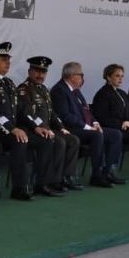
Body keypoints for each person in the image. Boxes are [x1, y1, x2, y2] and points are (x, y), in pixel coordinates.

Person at [0, 42, 58, 199]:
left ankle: (42, 184)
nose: (8, 63)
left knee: (45, 139)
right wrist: (12, 128)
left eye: (8, 59)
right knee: (20, 141)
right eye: (3, 59)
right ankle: (19, 188)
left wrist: (36, 126)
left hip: (12, 130)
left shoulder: (9, 83)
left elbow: (22, 110)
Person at [50, 61, 124, 187]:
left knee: (115, 134)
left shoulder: (76, 90)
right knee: (97, 135)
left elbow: (86, 111)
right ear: (71, 76)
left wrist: (95, 122)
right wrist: (87, 127)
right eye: (81, 74)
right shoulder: (59, 90)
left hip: (85, 128)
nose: (82, 77)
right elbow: (65, 116)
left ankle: (107, 172)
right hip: (70, 129)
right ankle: (97, 175)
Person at [16, 56, 80, 193]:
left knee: (73, 140)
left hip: (46, 129)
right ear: (29, 72)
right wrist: (42, 127)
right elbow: (27, 113)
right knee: (58, 142)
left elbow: (52, 113)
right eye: (37, 71)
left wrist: (62, 127)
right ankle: (47, 182)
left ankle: (64, 177)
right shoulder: (24, 89)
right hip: (32, 129)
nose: (40, 75)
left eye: (43, 72)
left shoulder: (44, 89)